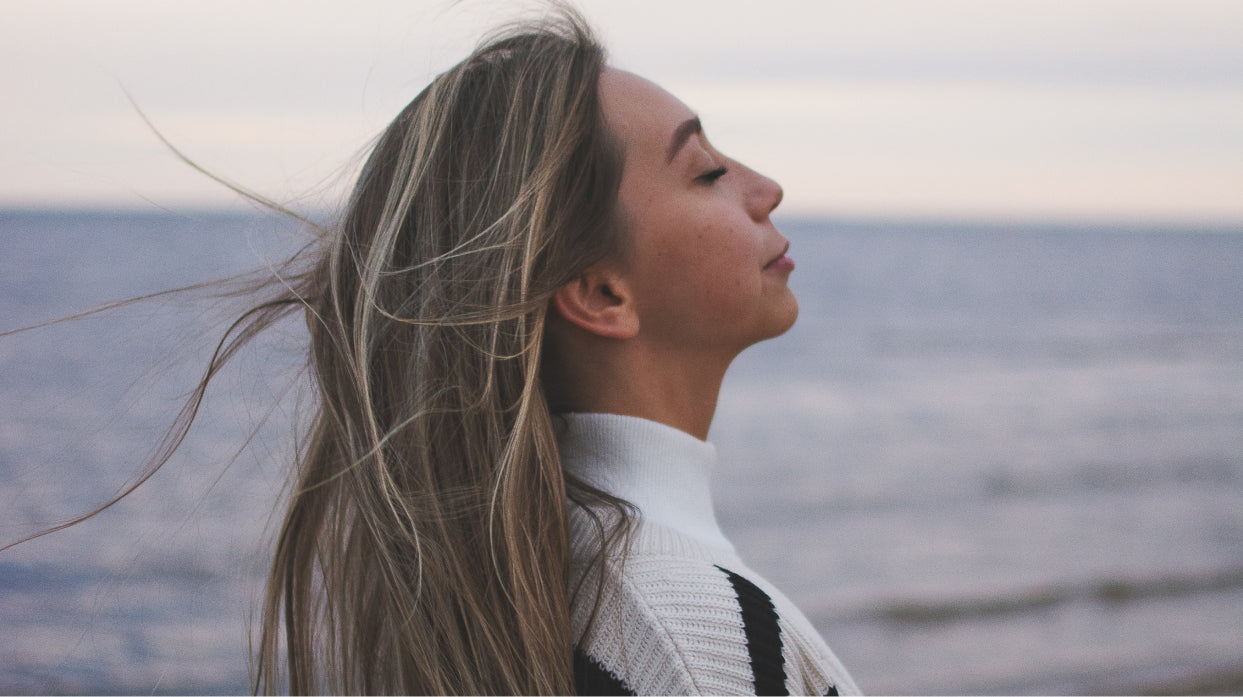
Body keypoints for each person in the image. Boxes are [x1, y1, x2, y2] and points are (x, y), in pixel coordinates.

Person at [11, 6, 858, 695]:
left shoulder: (566, 578)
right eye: (705, 170)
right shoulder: (686, 626)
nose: (763, 188)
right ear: (600, 293)